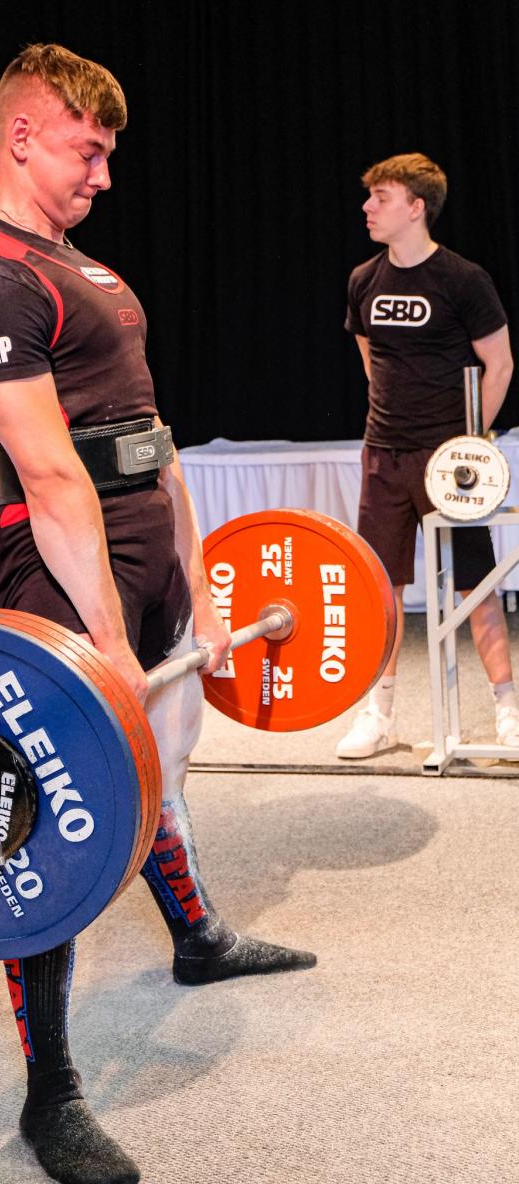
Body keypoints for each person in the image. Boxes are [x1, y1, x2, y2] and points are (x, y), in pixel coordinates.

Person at [0, 43, 316, 1184]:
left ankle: (194, 937)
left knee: (145, 768)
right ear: (20, 134)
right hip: (59, 569)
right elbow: (53, 479)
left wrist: (194, 578)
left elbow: (152, 434)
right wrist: (103, 644)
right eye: (86, 150)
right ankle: (49, 1089)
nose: (102, 175)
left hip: (143, 552)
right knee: (46, 819)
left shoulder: (87, 271)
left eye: (107, 155)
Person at [336, 152, 517, 758]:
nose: (367, 207)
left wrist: (470, 444)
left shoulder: (463, 280)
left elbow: (500, 365)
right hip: (384, 456)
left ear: (416, 207)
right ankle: (379, 713)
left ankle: (508, 710)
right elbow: (372, 361)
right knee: (380, 587)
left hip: (451, 464)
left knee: (474, 583)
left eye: (381, 197)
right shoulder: (364, 279)